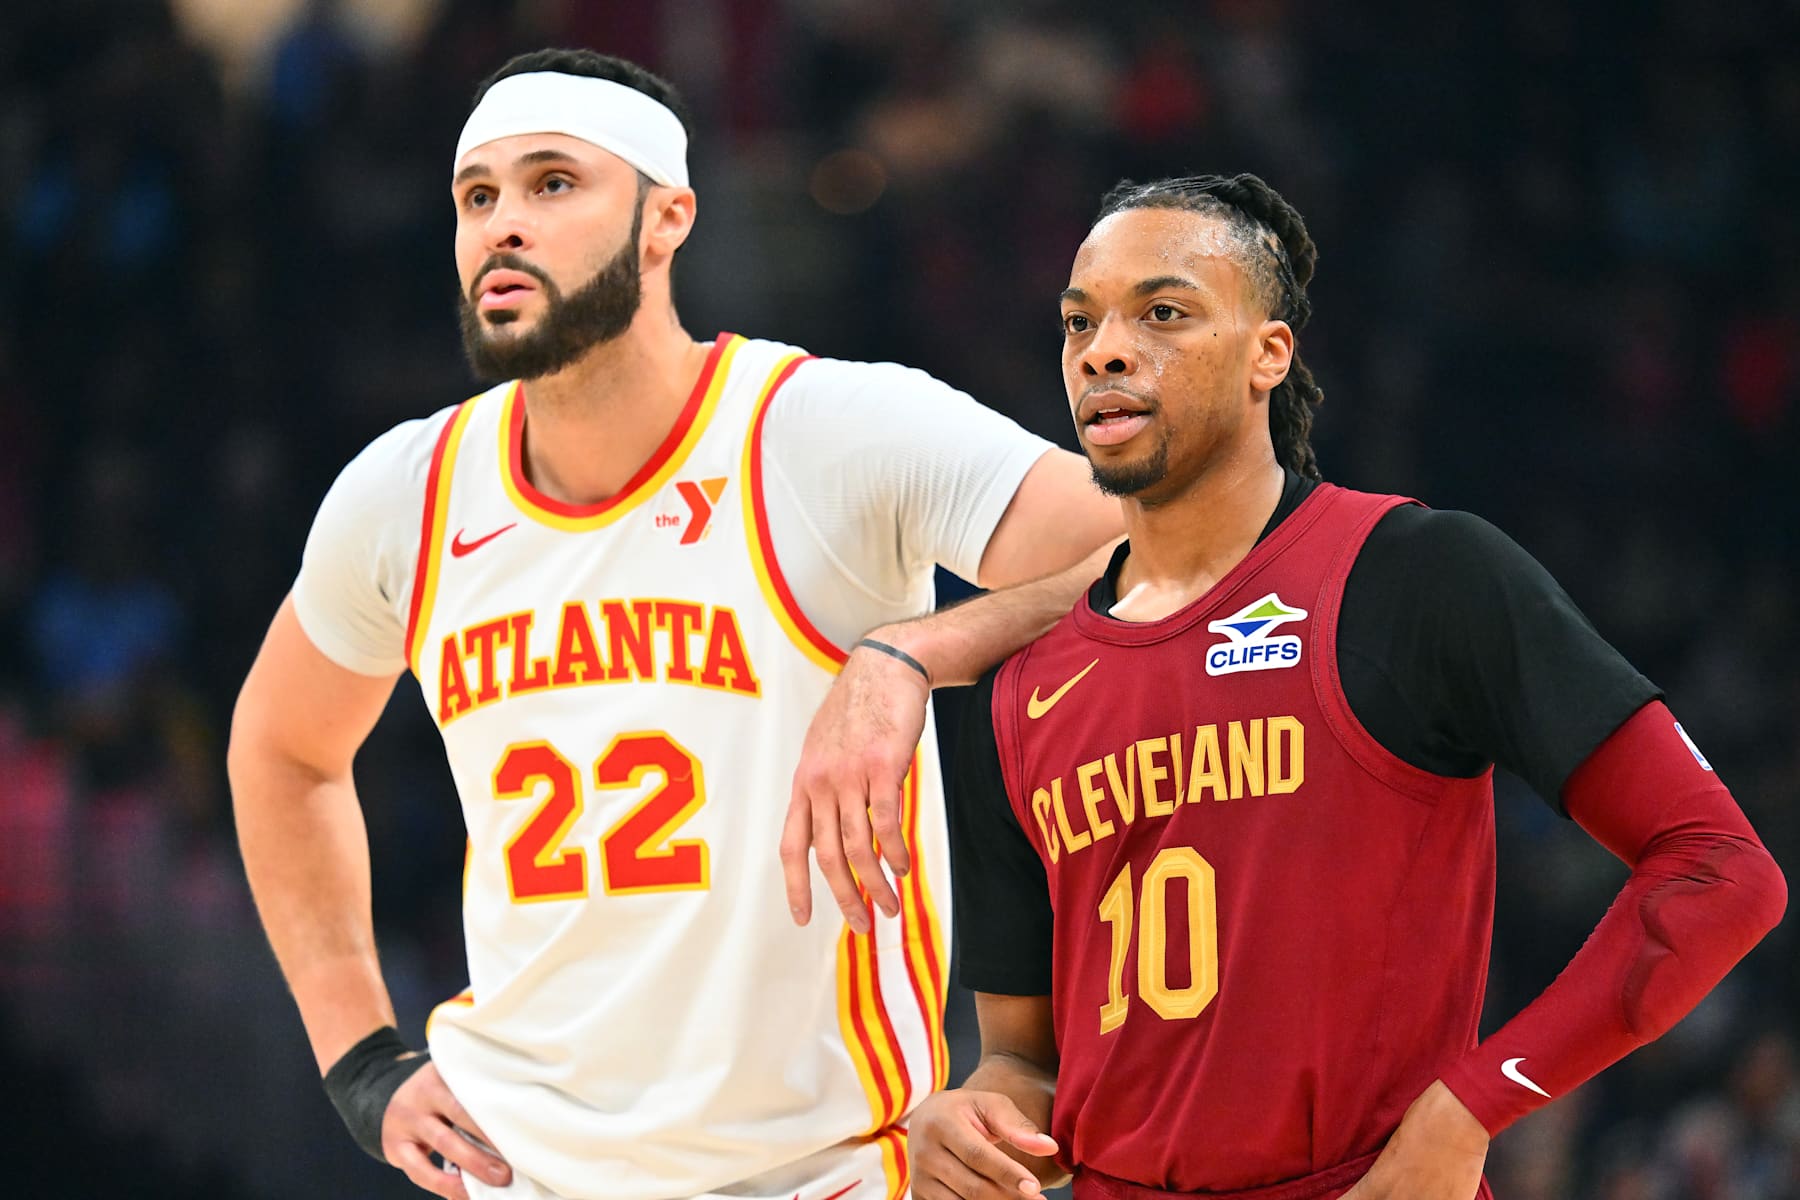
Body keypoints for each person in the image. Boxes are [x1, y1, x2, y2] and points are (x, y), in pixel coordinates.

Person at [226, 48, 1122, 1200]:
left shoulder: (821, 432)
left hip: (816, 1172)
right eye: (476, 196)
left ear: (667, 220)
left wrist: (913, 651)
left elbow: (1166, 553)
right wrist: (361, 1058)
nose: (503, 224)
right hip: (515, 1169)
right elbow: (283, 750)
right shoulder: (407, 494)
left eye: (554, 182)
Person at [909, 173, 1789, 1200]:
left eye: (1163, 312)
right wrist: (971, 1116)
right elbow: (1026, 1061)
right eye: (1079, 322)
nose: (1103, 349)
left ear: (1269, 354)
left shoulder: (1415, 575)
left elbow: (1720, 869)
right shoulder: (1019, 691)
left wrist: (1474, 1104)